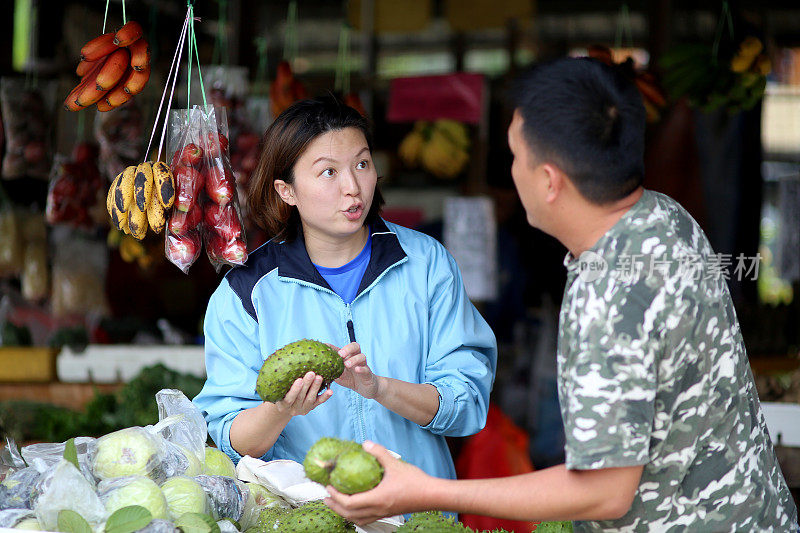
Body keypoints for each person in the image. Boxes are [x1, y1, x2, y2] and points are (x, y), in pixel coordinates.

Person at [325, 58, 800, 531]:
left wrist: (426, 490)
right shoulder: (663, 217)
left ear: (550, 181)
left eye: (515, 157)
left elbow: (604, 491)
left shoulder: (608, 294)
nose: (511, 174)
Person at [192, 95, 497, 486]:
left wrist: (380, 388)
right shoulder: (246, 291)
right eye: (328, 172)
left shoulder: (425, 264)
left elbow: (468, 400)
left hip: (418, 514)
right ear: (287, 191)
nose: (353, 187)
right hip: (307, 519)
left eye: (362, 164)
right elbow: (226, 435)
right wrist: (281, 410)